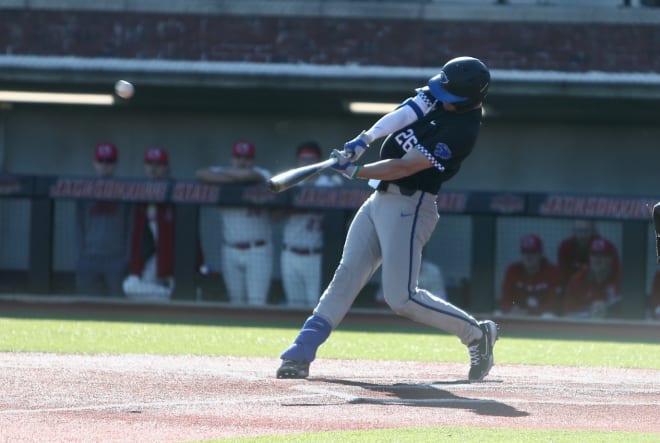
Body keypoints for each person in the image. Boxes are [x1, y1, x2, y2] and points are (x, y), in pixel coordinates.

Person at [276, 56, 498, 382]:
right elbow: (405, 113)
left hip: (411, 206)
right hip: (379, 198)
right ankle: (302, 350)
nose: (442, 98)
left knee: (402, 298)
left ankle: (476, 333)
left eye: (451, 96)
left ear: (469, 98)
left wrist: (354, 170)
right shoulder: (441, 96)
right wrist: (364, 140)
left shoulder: (462, 130)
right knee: (347, 274)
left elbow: (404, 166)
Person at [195, 141, 274, 305]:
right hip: (230, 249)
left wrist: (225, 178)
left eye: (246, 158)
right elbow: (201, 174)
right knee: (235, 302)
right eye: (239, 157)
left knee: (257, 302)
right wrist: (232, 177)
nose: (242, 161)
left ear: (253, 160)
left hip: (257, 249)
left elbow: (249, 176)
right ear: (232, 158)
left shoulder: (263, 173)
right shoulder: (223, 171)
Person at [280, 141, 342, 308]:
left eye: (311, 159)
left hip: (315, 255)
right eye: (303, 159)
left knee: (317, 306)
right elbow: (274, 216)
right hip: (290, 252)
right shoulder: (289, 183)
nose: (307, 163)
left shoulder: (329, 185)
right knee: (293, 306)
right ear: (298, 161)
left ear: (319, 161)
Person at [75, 142, 131, 297]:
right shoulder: (84, 189)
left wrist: (126, 256)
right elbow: (78, 226)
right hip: (89, 256)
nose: (105, 165)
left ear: (116, 164)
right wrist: (81, 254)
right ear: (94, 163)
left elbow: (130, 226)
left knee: (118, 303)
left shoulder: (126, 189)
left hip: (116, 257)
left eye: (109, 161)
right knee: (86, 303)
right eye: (101, 161)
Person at [123, 147, 176, 300]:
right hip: (151, 257)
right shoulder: (140, 193)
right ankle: (169, 295)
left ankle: (172, 295)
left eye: (158, 164)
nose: (153, 169)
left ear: (166, 167)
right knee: (131, 288)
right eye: (150, 164)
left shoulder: (176, 190)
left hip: (174, 258)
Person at [498, 234, 562, 317]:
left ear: (540, 253)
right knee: (498, 314)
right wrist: (511, 308)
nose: (528, 256)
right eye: (525, 252)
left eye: (533, 252)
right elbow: (505, 300)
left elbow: (554, 303)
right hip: (518, 317)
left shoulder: (552, 271)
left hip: (542, 318)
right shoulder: (513, 271)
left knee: (549, 316)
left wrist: (530, 312)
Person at [563, 236, 622, 318]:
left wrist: (608, 312)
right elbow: (568, 313)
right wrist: (589, 310)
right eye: (594, 255)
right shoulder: (577, 280)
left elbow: (634, 311)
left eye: (603, 255)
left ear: (611, 258)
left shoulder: (623, 278)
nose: (598, 260)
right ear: (589, 258)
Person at [556, 219, 601, 288]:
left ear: (592, 231)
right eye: (579, 231)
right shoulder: (565, 247)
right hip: (572, 287)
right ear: (574, 231)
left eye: (586, 231)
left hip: (595, 286)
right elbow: (563, 274)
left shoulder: (600, 246)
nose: (583, 235)